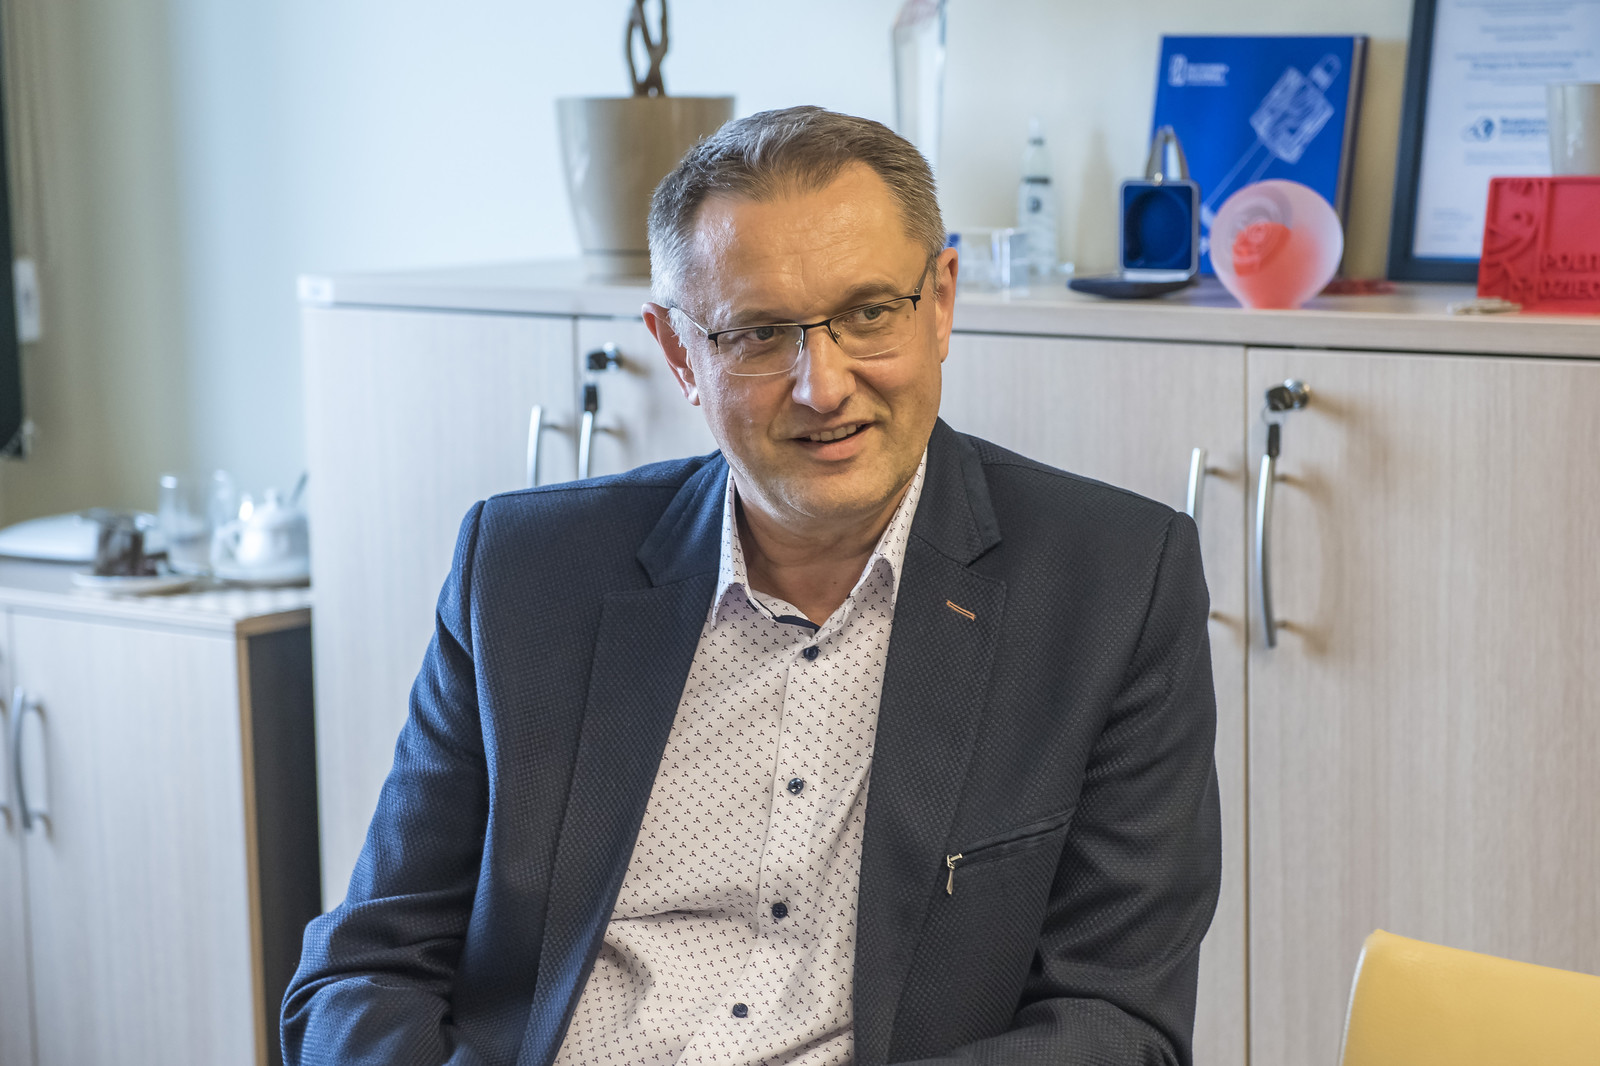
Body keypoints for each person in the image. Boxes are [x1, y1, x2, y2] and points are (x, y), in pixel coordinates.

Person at [283, 106, 1220, 1066]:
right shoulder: (525, 572)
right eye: (761, 334)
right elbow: (364, 970)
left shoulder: (1113, 586)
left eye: (869, 314)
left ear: (940, 302)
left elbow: (1118, 1024)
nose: (824, 386)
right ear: (679, 353)